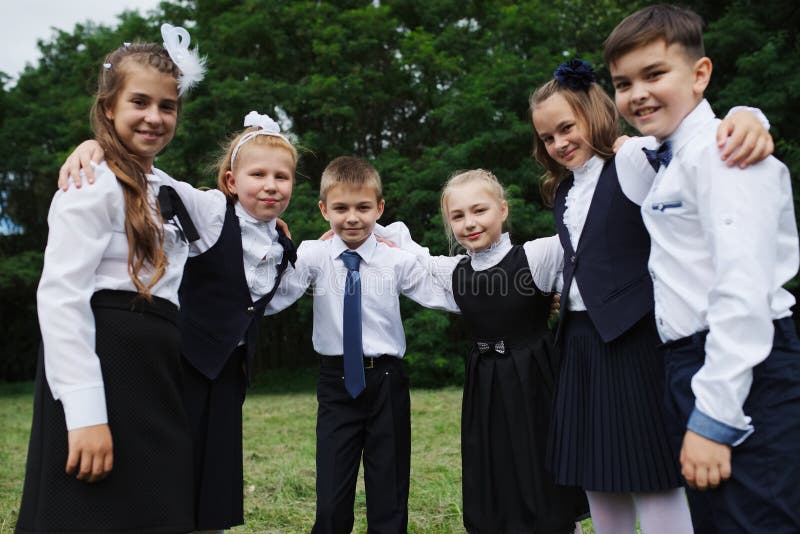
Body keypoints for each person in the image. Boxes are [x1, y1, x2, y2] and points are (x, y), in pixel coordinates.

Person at [529, 57, 775, 533]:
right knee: (596, 474)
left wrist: (749, 115)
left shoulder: (633, 159)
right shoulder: (562, 192)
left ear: (594, 114)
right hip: (580, 344)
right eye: (547, 137)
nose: (559, 143)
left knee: (650, 473)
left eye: (566, 128)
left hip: (634, 340)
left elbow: (694, 149)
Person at [605, 5, 800, 533]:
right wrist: (752, 112)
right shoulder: (666, 155)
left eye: (653, 74)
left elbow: (744, 293)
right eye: (623, 83)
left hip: (740, 368)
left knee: (755, 521)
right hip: (687, 366)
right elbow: (625, 149)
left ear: (700, 74)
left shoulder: (725, 154)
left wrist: (715, 419)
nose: (637, 93)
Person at [57, 110, 298, 534]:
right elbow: (158, 180)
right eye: (258, 174)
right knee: (169, 462)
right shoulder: (209, 215)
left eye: (282, 177)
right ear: (230, 182)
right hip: (180, 362)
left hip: (228, 372)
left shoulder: (281, 240)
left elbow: (262, 300)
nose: (270, 185)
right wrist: (96, 148)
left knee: (216, 470)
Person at [16, 25, 204, 534]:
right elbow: (60, 298)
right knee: (89, 512)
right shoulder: (89, 183)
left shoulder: (171, 191)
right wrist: (84, 413)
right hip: (103, 363)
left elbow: (238, 205)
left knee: (155, 510)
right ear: (108, 109)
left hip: (157, 371)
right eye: (139, 102)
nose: (154, 117)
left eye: (167, 107)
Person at [385, 168, 590, 533]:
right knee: (493, 466)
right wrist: (348, 237)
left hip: (535, 381)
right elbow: (405, 255)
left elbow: (588, 233)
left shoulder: (536, 256)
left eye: (479, 211)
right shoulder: (453, 273)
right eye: (458, 216)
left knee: (540, 466)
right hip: (485, 383)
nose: (470, 223)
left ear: (503, 209)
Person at [264, 156, 458, 534]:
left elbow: (444, 292)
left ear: (379, 208)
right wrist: (271, 250)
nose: (352, 217)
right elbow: (273, 299)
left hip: (386, 380)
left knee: (389, 486)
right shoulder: (313, 255)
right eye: (341, 208)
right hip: (336, 383)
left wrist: (513, 298)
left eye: (363, 207)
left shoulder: (395, 259)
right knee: (333, 493)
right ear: (324, 210)